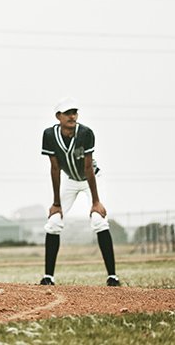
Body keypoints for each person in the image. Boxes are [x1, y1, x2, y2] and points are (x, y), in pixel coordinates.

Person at [39, 97, 120, 287]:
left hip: (91, 179)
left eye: (74, 112)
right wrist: (56, 203)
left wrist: (96, 202)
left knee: (99, 220)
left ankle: (113, 277)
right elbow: (54, 168)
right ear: (58, 116)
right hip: (69, 180)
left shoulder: (85, 133)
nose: (72, 116)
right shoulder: (49, 135)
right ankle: (48, 277)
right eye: (67, 113)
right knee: (53, 222)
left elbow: (88, 167)